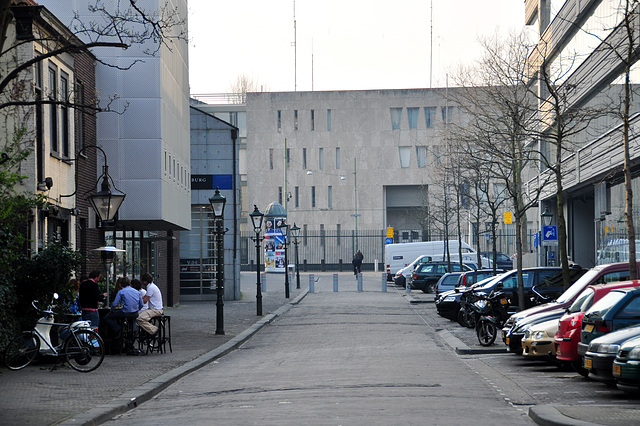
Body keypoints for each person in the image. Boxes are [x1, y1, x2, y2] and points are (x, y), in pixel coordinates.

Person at [136, 272, 163, 337]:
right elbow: (145, 297)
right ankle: (145, 331)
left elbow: (145, 300)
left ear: (145, 281)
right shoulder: (152, 286)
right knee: (139, 315)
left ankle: (153, 330)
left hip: (155, 309)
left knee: (138, 318)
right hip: (154, 308)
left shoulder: (150, 288)